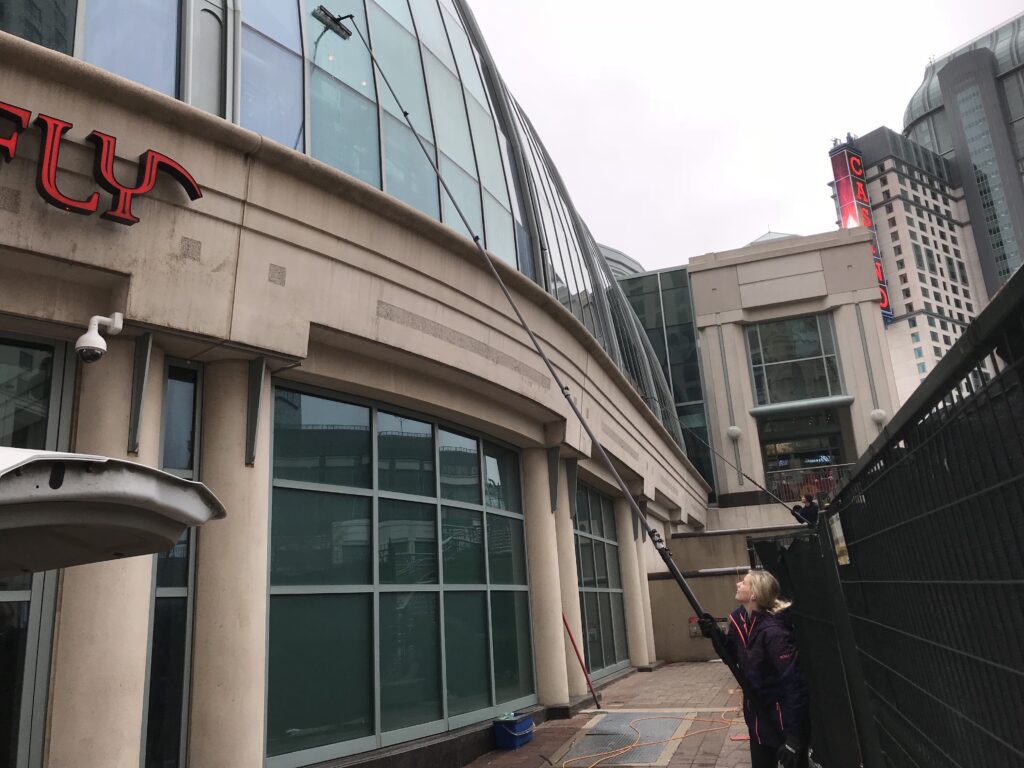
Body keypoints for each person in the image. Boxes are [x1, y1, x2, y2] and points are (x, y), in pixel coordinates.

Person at [700, 570, 810, 768]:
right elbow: (731, 656)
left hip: (782, 722)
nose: (738, 584)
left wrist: (795, 738)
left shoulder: (774, 633)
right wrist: (714, 634)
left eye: (744, 582)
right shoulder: (741, 621)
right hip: (758, 720)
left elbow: (793, 684)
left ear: (754, 595)